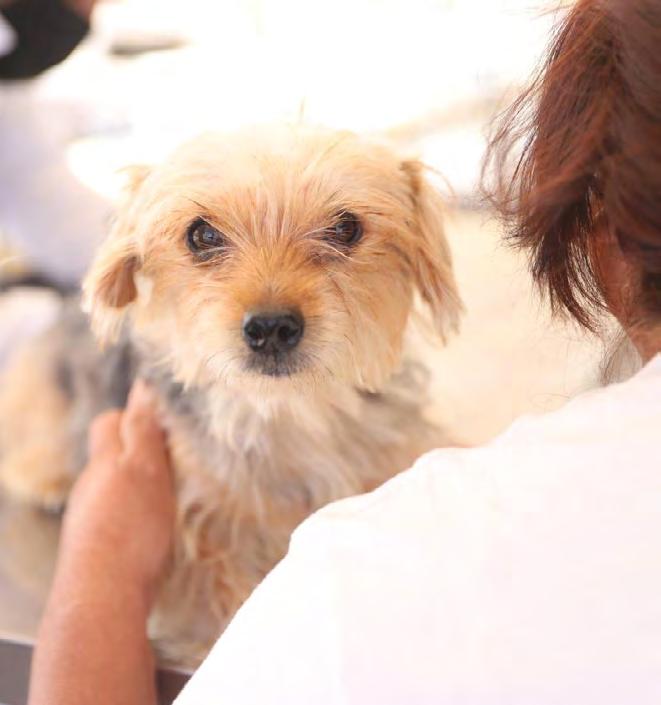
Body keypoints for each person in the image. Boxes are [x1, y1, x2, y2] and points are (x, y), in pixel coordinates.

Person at [27, 0, 661, 702]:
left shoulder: (421, 523)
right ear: (128, 269)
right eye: (206, 239)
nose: (271, 301)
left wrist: (104, 558)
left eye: (342, 232)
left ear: (421, 256)